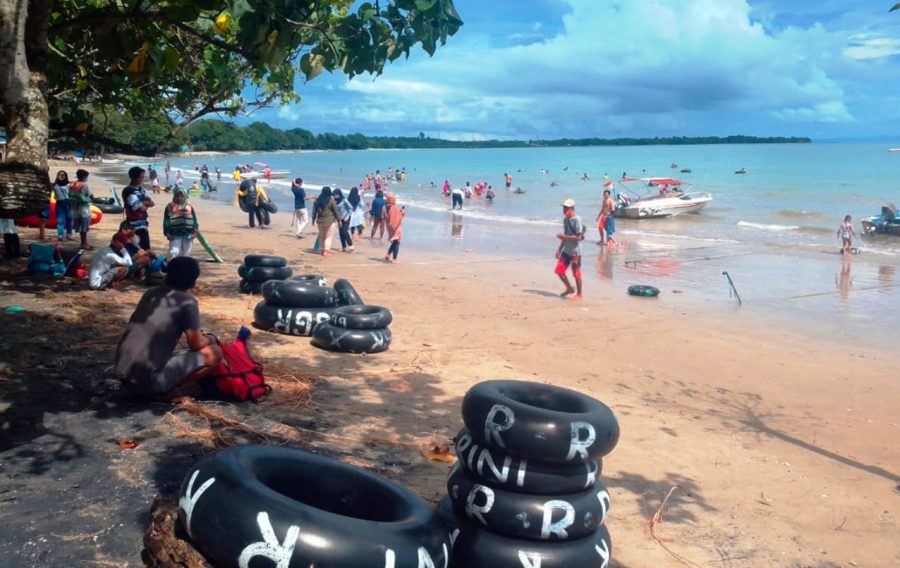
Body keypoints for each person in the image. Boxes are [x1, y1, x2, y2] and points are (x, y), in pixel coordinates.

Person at [113, 257, 223, 397]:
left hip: (123, 376)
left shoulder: (150, 294)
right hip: (149, 383)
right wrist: (211, 338)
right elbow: (196, 344)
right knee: (215, 352)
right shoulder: (188, 302)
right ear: (194, 282)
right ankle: (170, 392)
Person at [555, 198, 584, 300]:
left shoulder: (577, 220)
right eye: (564, 208)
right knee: (559, 270)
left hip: (575, 251)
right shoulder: (565, 220)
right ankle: (569, 288)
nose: (564, 210)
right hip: (566, 250)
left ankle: (580, 294)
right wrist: (559, 249)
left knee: (576, 273)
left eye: (566, 208)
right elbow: (565, 236)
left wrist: (564, 237)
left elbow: (579, 237)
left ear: (572, 209)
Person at [122, 166, 155, 251]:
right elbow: (142, 209)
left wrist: (143, 203)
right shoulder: (128, 191)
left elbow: (152, 203)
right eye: (141, 177)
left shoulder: (141, 190)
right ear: (135, 178)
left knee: (145, 248)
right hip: (134, 225)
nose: (143, 179)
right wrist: (144, 203)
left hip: (143, 224)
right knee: (139, 249)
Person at [163, 187, 198, 259]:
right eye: (177, 196)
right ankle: (173, 266)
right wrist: (167, 232)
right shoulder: (169, 206)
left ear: (185, 196)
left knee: (186, 253)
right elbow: (166, 220)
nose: (179, 198)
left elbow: (194, 220)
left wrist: (195, 231)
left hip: (188, 233)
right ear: (175, 196)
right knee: (174, 251)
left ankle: (184, 267)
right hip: (175, 233)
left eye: (182, 196)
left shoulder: (189, 207)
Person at [69, 168, 94, 250]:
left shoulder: (72, 184)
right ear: (84, 177)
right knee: (84, 227)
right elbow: (90, 196)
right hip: (83, 208)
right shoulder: (84, 185)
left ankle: (83, 242)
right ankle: (84, 243)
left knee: (80, 226)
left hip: (74, 208)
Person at [312, 186, 340, 256]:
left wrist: (313, 220)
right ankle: (326, 251)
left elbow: (314, 212)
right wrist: (339, 221)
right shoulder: (331, 200)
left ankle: (322, 250)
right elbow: (336, 211)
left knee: (322, 237)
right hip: (330, 221)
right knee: (328, 237)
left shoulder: (317, 200)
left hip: (320, 221)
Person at [51, 170, 74, 241]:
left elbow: (72, 193)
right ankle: (60, 235)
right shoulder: (54, 185)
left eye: (63, 175)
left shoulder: (69, 184)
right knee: (60, 220)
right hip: (59, 203)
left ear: (66, 176)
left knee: (69, 219)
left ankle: (69, 234)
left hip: (67, 202)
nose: (61, 176)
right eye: (60, 174)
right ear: (57, 176)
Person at [384, 193, 405, 264]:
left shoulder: (384, 207)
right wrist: (402, 213)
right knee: (397, 242)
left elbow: (386, 217)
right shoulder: (394, 208)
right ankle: (394, 259)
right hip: (395, 227)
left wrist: (400, 212)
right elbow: (397, 218)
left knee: (394, 241)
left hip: (388, 226)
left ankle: (388, 254)